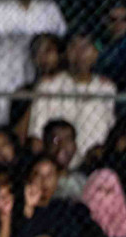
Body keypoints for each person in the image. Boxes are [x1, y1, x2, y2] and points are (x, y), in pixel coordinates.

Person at [13, 156, 125, 237]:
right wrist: (28, 209)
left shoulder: (71, 210)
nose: (44, 181)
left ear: (57, 178)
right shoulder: (18, 210)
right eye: (38, 175)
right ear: (29, 179)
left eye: (50, 175)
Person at [27, 34, 115, 167]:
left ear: (96, 53)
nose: (79, 53)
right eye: (73, 46)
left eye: (85, 46)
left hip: (95, 163)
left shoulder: (106, 88)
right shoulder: (49, 86)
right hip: (57, 164)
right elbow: (36, 137)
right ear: (66, 52)